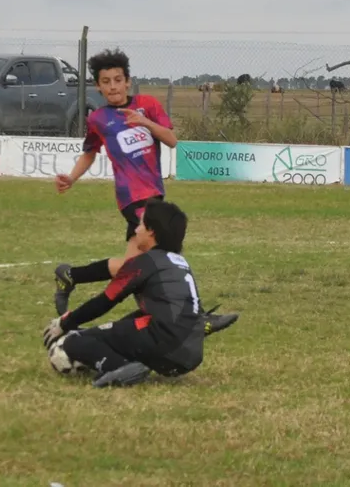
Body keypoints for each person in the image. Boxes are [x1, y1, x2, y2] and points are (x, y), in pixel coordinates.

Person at [50, 48, 237, 336]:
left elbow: (172, 140)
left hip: (154, 195)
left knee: (131, 267)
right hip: (131, 199)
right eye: (105, 81)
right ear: (98, 86)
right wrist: (72, 178)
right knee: (168, 251)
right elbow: (89, 153)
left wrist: (146, 123)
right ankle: (196, 317)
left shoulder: (147, 105)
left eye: (117, 80)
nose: (112, 86)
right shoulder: (98, 119)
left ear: (127, 82)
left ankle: (70, 275)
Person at [43, 199, 204, 388]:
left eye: (141, 224)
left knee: (74, 342)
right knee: (115, 328)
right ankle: (128, 362)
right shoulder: (180, 263)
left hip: (164, 343)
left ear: (152, 230)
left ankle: (119, 367)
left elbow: (104, 302)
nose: (136, 230)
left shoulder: (144, 262)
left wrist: (66, 322)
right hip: (190, 353)